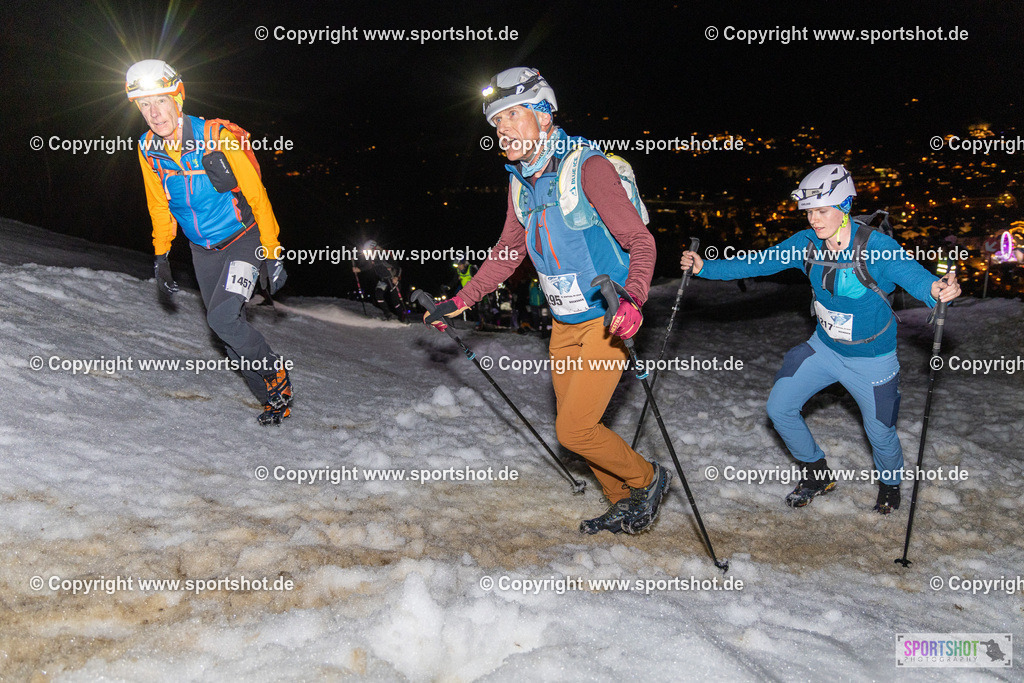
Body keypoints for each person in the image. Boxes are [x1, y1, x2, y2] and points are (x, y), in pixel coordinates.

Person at [425, 67, 664, 534]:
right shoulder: (520, 182)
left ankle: (649, 479)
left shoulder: (587, 168)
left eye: (512, 115)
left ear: (543, 114)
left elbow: (642, 242)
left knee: (573, 430)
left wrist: (633, 299)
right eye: (496, 122)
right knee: (581, 430)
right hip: (562, 324)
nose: (502, 129)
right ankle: (623, 501)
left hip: (606, 322)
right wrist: (459, 301)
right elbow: (508, 252)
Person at [680, 164, 961, 514]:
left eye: (822, 210)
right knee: (779, 409)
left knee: (881, 433)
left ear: (844, 206)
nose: (814, 219)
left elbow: (914, 275)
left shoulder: (878, 248)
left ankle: (890, 485)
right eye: (810, 211)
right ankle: (817, 473)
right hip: (824, 348)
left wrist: (936, 289)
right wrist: (705, 267)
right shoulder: (806, 244)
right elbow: (758, 262)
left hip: (872, 360)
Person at [126, 59, 293, 425]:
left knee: (221, 317)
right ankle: (272, 398)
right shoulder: (147, 149)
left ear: (178, 99)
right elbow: (157, 204)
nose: (154, 113)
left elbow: (256, 194)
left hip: (243, 240)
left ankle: (274, 371)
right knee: (226, 333)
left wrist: (272, 252)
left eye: (161, 101)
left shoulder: (215, 137)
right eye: (145, 105)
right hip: (203, 252)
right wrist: (161, 253)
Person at [353, 240, 407, 321]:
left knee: (395, 301)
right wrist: (359, 269)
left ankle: (401, 318)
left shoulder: (383, 255)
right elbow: (369, 266)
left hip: (392, 280)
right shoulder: (372, 258)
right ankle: (388, 315)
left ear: (373, 248)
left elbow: (398, 267)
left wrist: (396, 277)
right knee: (378, 295)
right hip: (383, 280)